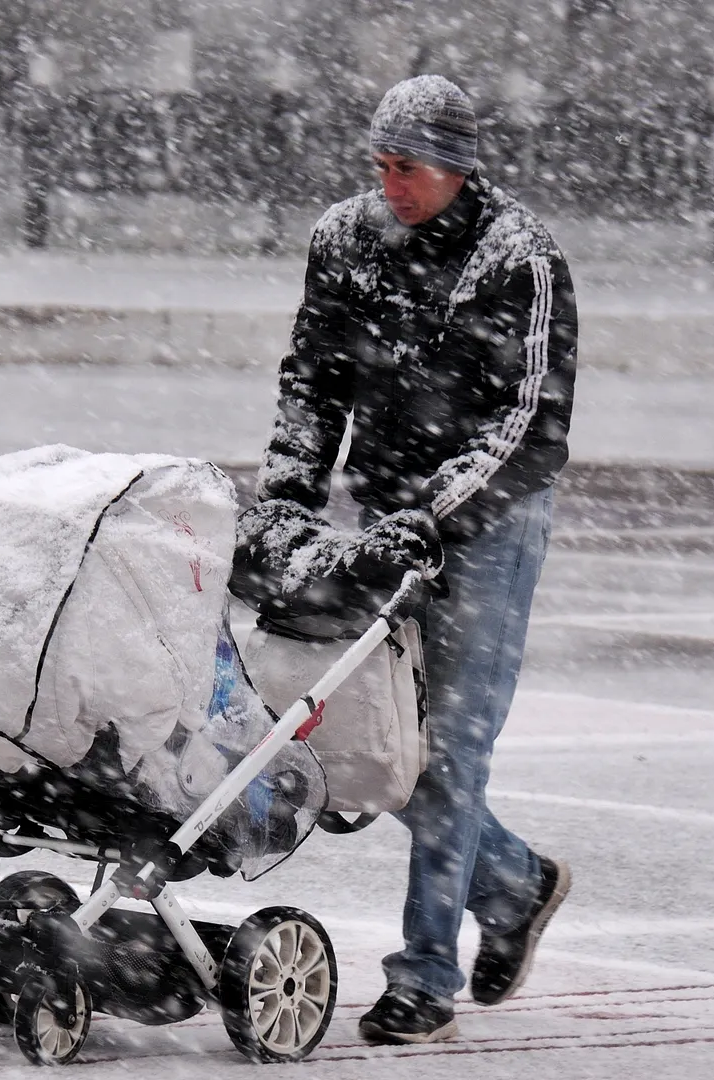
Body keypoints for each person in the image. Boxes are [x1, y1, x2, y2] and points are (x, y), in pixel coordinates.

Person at [253, 74, 577, 1044]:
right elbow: (313, 381)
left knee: (453, 749)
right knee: (377, 739)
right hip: (385, 508)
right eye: (381, 165)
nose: (391, 185)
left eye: (410, 168)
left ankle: (425, 976)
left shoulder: (520, 258)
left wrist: (435, 514)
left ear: (458, 166)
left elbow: (526, 423)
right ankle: (514, 887)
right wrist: (287, 503)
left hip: (492, 521)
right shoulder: (344, 241)